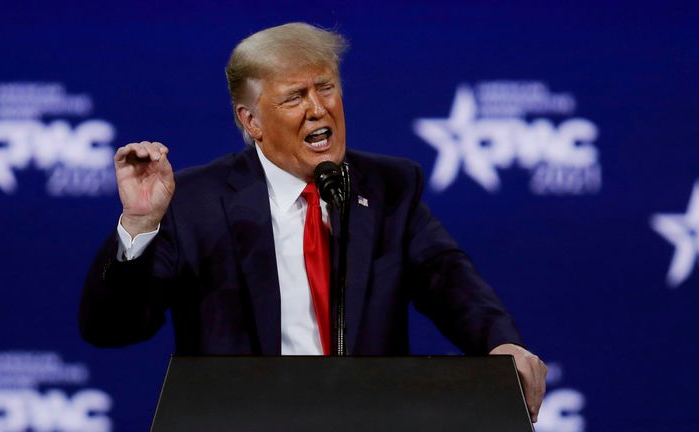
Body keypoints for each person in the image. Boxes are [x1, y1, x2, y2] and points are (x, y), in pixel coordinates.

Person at [79, 22, 548, 421]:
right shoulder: (196, 201)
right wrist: (139, 224)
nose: (318, 108)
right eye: (294, 97)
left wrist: (500, 344)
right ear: (252, 121)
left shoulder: (388, 189)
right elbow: (112, 328)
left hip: (368, 425)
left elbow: (448, 277)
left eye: (326, 87)